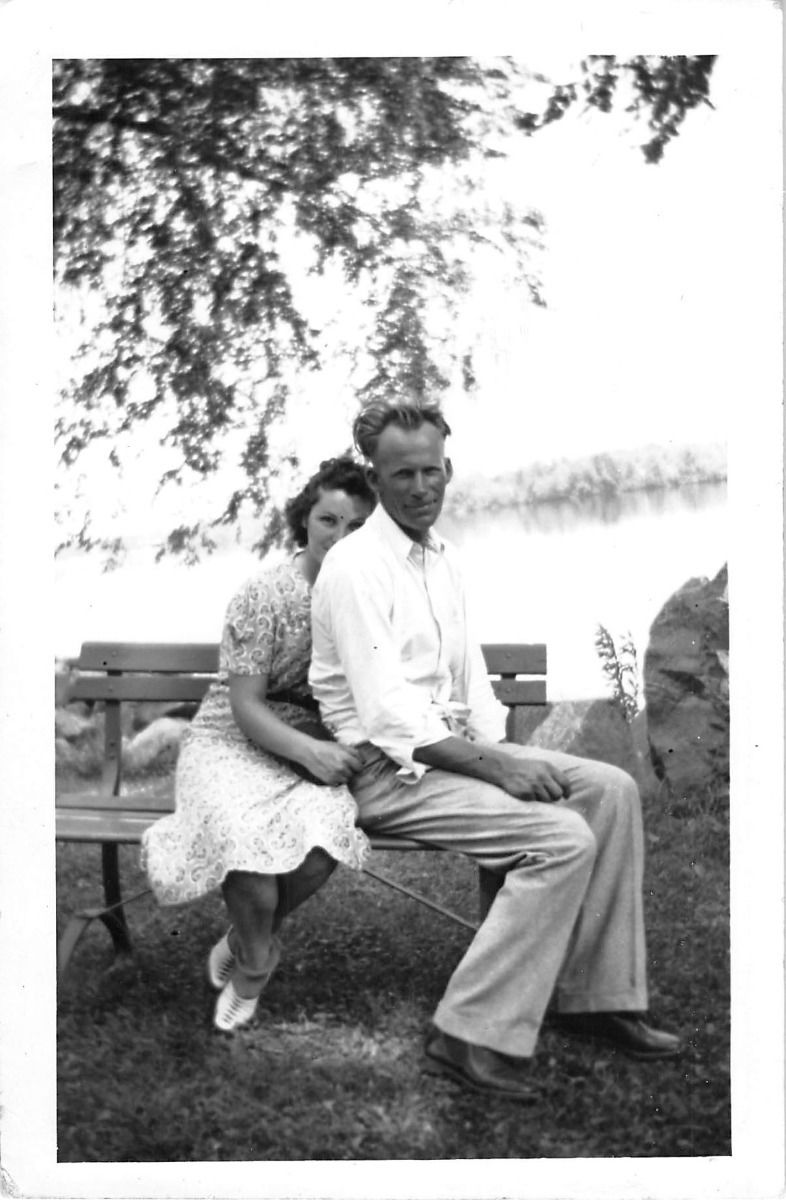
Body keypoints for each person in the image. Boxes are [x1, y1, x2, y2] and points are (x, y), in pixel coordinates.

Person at [309, 400, 681, 1102]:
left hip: (451, 755)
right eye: (403, 474)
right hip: (384, 774)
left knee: (610, 790)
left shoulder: (443, 560)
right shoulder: (356, 567)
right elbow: (391, 718)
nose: (422, 488)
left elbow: (471, 685)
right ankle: (466, 1033)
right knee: (561, 839)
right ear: (375, 478)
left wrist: (508, 754)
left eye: (432, 471)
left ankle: (597, 1000)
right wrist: (502, 768)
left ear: (448, 469)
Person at [142, 457, 375, 1032]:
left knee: (325, 836)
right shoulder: (264, 594)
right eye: (328, 521)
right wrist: (310, 752)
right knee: (246, 842)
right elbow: (246, 706)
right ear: (305, 520)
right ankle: (254, 967)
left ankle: (243, 937)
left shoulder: (369, 597)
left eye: (356, 528)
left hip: (309, 743)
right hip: (233, 739)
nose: (340, 538)